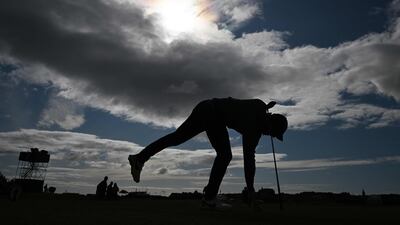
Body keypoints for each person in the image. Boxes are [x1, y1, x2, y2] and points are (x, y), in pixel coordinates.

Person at [129, 97, 288, 208]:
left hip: (206, 107)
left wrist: (251, 189)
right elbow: (249, 160)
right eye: (273, 133)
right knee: (225, 155)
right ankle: (209, 198)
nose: (271, 136)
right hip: (212, 112)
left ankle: (139, 158)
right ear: (271, 125)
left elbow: (249, 160)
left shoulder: (257, 125)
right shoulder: (256, 121)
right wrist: (251, 191)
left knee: (177, 138)